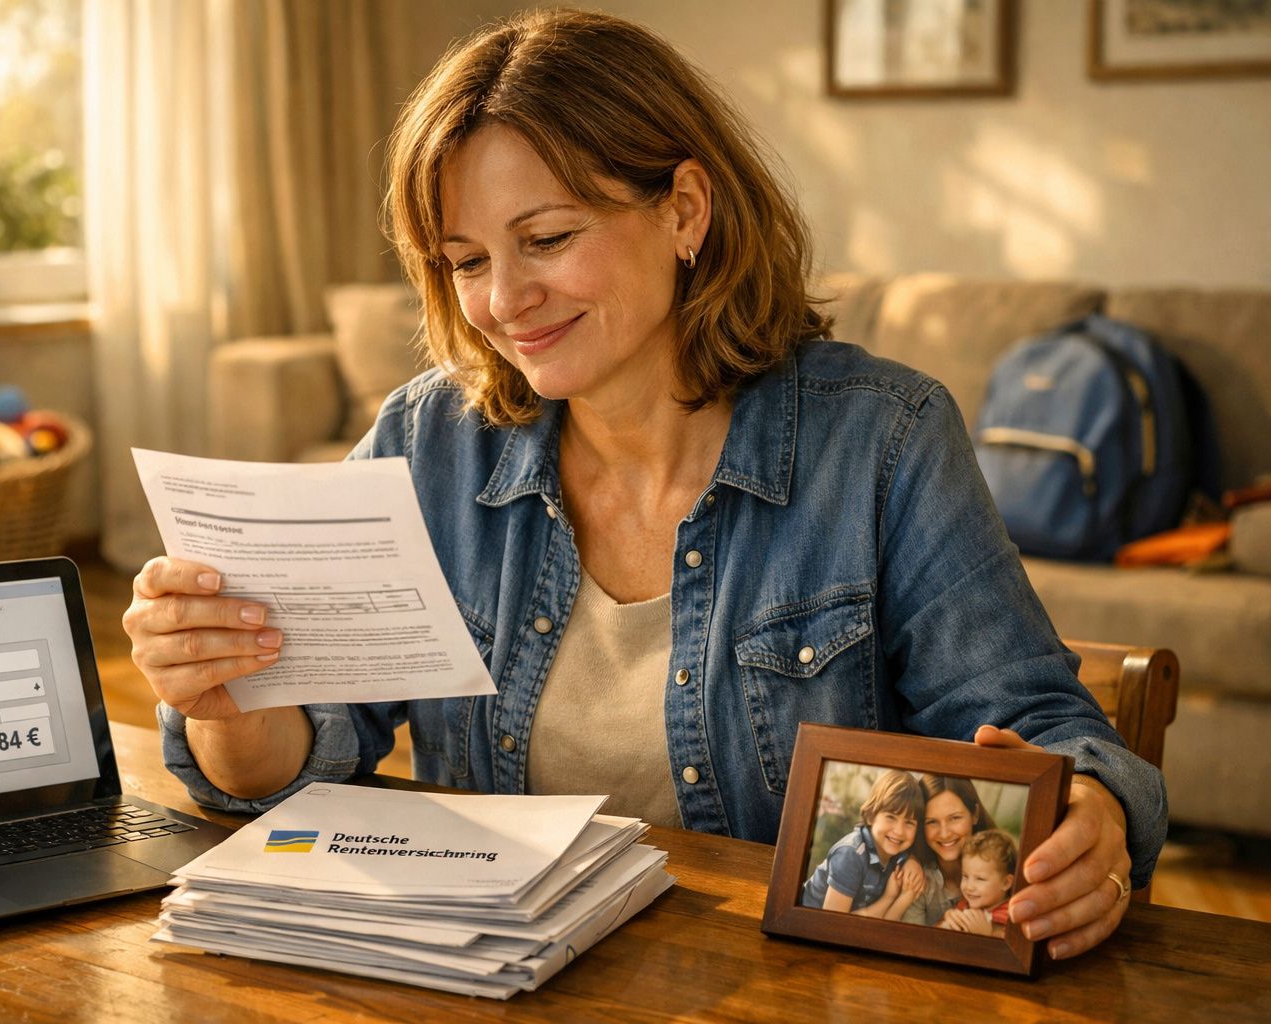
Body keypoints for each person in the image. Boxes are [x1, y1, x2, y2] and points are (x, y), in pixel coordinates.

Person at [124, 9, 1163, 961]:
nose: (502, 300)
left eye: (547, 239)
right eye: (464, 259)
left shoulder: (882, 439)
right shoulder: (427, 441)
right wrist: (226, 701)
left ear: (685, 210)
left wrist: (1095, 818)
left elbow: (1047, 726)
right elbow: (301, 760)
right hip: (485, 978)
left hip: (783, 986)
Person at [800, 770, 926, 918]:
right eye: (891, 817)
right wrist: (888, 898)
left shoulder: (897, 853)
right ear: (871, 816)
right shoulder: (851, 855)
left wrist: (912, 861)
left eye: (909, 823)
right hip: (809, 923)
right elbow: (833, 924)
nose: (899, 831)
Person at [902, 775, 992, 927]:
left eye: (954, 818)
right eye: (931, 822)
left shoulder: (1002, 866)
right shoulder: (918, 878)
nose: (944, 834)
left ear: (975, 814)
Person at [939, 830, 1020, 937]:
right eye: (965, 876)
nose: (969, 887)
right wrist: (948, 917)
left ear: (1006, 883)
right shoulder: (964, 905)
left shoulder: (1011, 915)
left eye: (980, 879)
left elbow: (1012, 947)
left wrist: (988, 934)